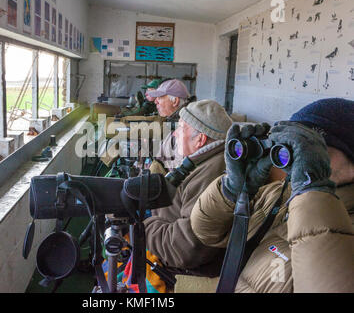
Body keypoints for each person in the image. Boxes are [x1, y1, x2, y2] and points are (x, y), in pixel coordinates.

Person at [190, 98, 354, 293]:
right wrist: (233, 190)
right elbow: (206, 231)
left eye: (313, 149)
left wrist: (313, 191)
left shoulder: (345, 229)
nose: (298, 156)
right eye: (293, 145)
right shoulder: (280, 193)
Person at [144, 100, 233, 284]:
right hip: (164, 234)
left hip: (180, 269)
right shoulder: (206, 160)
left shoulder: (212, 173)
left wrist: (142, 226)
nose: (175, 134)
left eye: (181, 128)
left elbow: (184, 249)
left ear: (200, 140)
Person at [146, 79, 192, 172]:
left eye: (160, 98)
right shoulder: (171, 121)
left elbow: (179, 168)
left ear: (175, 101)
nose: (156, 102)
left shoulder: (185, 126)